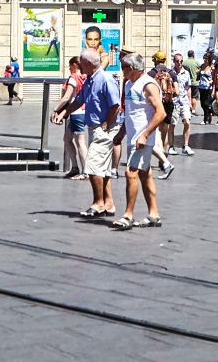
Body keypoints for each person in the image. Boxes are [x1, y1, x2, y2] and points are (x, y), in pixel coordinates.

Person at [114, 50, 165, 230]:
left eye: (124, 68)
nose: (122, 71)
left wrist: (145, 135)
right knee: (145, 174)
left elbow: (161, 113)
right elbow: (131, 113)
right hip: (133, 138)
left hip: (143, 139)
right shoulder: (129, 85)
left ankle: (128, 215)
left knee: (131, 172)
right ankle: (154, 214)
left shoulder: (148, 85)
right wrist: (121, 133)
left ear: (133, 68)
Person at [77, 53, 124, 221]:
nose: (79, 65)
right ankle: (109, 204)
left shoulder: (105, 79)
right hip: (94, 127)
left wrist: (105, 125)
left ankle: (98, 204)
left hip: (105, 128)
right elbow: (79, 99)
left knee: (93, 164)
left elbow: (115, 105)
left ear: (89, 63)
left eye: (81, 63)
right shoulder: (89, 80)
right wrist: (62, 113)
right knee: (102, 168)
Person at [50, 54, 91, 179]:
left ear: (74, 65)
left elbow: (67, 97)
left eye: (69, 66)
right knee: (67, 139)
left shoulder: (73, 78)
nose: (69, 69)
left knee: (80, 143)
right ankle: (74, 167)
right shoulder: (86, 77)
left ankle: (86, 172)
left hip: (77, 112)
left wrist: (56, 110)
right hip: (82, 112)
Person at [173, 54, 196, 155]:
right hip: (174, 102)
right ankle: (171, 146)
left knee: (187, 122)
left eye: (181, 61)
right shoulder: (171, 73)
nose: (179, 63)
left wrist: (190, 101)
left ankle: (186, 145)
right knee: (172, 124)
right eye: (177, 61)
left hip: (184, 101)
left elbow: (188, 88)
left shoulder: (186, 73)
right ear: (174, 61)